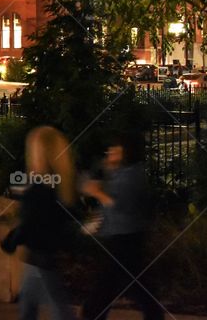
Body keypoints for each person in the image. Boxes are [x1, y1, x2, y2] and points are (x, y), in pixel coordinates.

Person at [81, 132, 164, 320]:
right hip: (121, 235)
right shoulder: (120, 172)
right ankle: (153, 315)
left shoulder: (133, 175)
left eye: (115, 151)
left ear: (126, 153)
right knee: (132, 284)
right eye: (110, 150)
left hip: (126, 237)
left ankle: (92, 314)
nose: (110, 154)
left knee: (111, 282)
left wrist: (97, 192)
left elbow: (120, 204)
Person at [0, 126, 77, 320]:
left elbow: (30, 224)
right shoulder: (62, 184)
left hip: (39, 256)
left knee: (59, 310)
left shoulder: (38, 188)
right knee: (29, 304)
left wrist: (10, 241)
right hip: (45, 254)